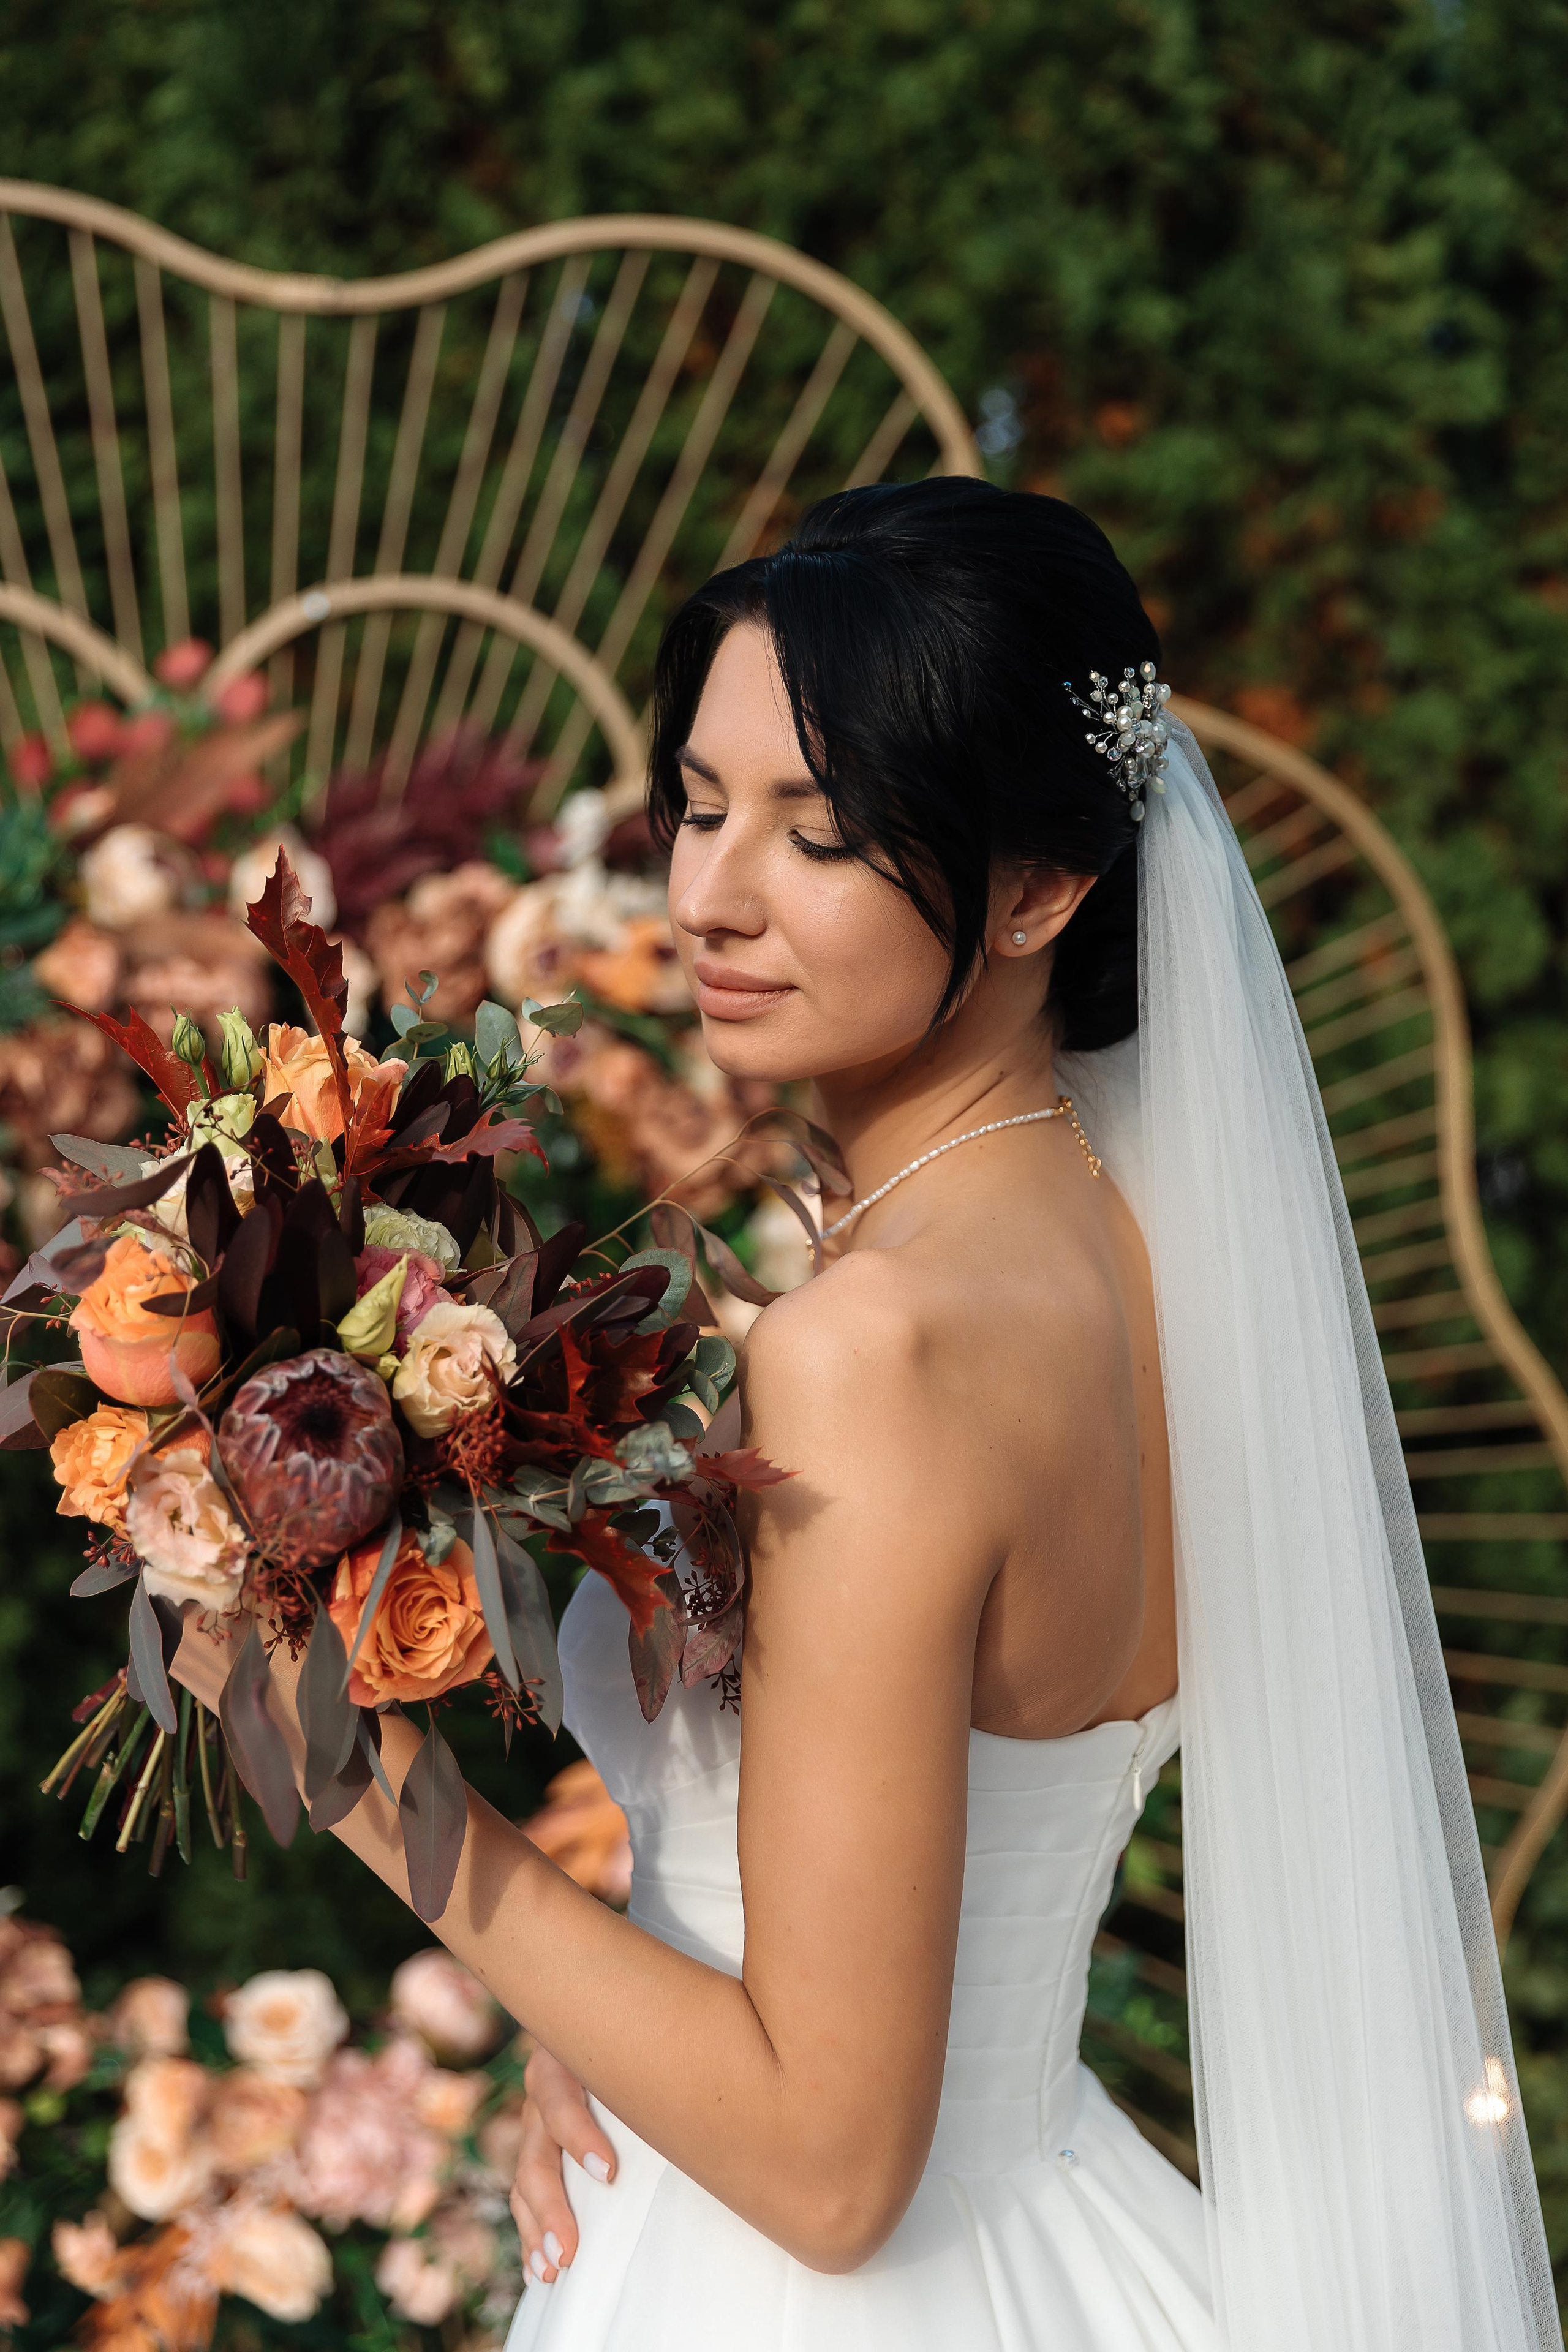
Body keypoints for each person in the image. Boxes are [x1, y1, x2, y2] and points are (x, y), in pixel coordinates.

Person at [173, 480, 1558, 2351]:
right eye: (702, 803)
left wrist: (348, 1763)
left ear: (1039, 888)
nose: (713, 896)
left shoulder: (873, 1354)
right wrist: (611, 2027)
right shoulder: (1139, 1265)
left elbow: (831, 2170)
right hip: (1035, 2225)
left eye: (819, 836)